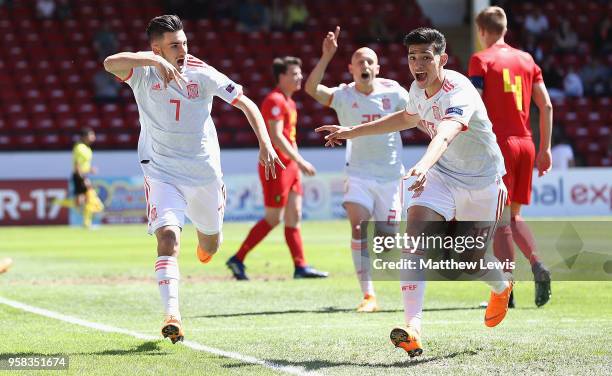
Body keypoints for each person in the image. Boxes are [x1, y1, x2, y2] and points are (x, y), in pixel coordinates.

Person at [317, 27, 513, 357]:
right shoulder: (416, 88)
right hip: (441, 175)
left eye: (426, 57)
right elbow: (407, 118)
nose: (418, 64)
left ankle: (501, 286)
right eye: (412, 58)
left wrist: (421, 165)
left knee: (469, 260)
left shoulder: (459, 90)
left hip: (482, 182)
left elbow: (446, 134)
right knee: (414, 241)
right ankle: (413, 329)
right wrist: (353, 131)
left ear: (442, 59)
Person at [103, 15, 283, 344]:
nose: (183, 49)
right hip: (161, 171)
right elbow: (109, 62)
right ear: (156, 49)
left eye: (184, 43)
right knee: (168, 239)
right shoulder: (142, 72)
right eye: (174, 45)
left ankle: (207, 244)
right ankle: (172, 316)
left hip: (203, 174)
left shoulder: (203, 73)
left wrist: (266, 143)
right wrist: (147, 59)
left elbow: (246, 104)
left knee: (209, 244)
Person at [305, 26, 409, 312]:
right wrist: (326, 56)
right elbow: (311, 89)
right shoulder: (343, 95)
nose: (364, 65)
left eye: (369, 61)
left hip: (390, 176)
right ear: (351, 68)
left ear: (378, 67)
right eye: (359, 61)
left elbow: (419, 115)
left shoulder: (395, 93)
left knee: (388, 241)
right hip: (359, 174)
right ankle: (368, 296)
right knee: (359, 227)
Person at [470, 6, 553, 308]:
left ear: (482, 31)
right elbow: (546, 106)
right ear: (504, 28)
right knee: (513, 215)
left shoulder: (481, 59)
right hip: (526, 143)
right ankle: (538, 262)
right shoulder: (527, 59)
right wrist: (545, 148)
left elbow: (474, 106)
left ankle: (507, 292)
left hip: (498, 145)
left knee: (500, 219)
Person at [226, 57, 328, 281]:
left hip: (290, 166)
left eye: (300, 73)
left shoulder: (289, 102)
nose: (299, 77)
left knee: (295, 215)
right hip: (277, 166)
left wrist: (297, 163)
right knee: (273, 217)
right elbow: (276, 136)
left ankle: (301, 267)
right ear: (281, 77)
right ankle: (238, 258)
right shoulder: (274, 100)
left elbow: (289, 138)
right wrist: (300, 161)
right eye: (294, 73)